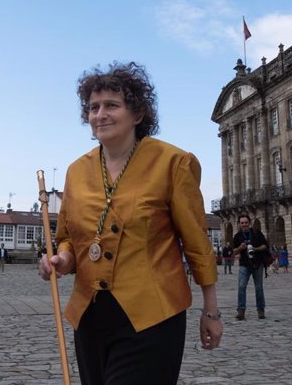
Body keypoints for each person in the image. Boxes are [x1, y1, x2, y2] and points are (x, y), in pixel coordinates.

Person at [38, 61, 222, 384]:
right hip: (90, 319)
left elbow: (196, 243)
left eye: (112, 105)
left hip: (152, 318)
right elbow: (67, 237)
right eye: (94, 107)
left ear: (137, 114)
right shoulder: (75, 172)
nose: (100, 114)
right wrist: (62, 259)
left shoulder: (173, 163)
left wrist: (211, 310)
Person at [233, 213, 267, 320]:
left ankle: (260, 310)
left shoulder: (257, 233)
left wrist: (255, 249)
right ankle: (241, 310)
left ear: (249, 223)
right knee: (241, 286)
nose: (244, 225)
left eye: (246, 222)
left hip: (257, 263)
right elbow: (233, 252)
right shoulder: (237, 236)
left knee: (259, 288)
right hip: (244, 264)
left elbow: (265, 246)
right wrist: (240, 248)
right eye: (242, 223)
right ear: (239, 224)